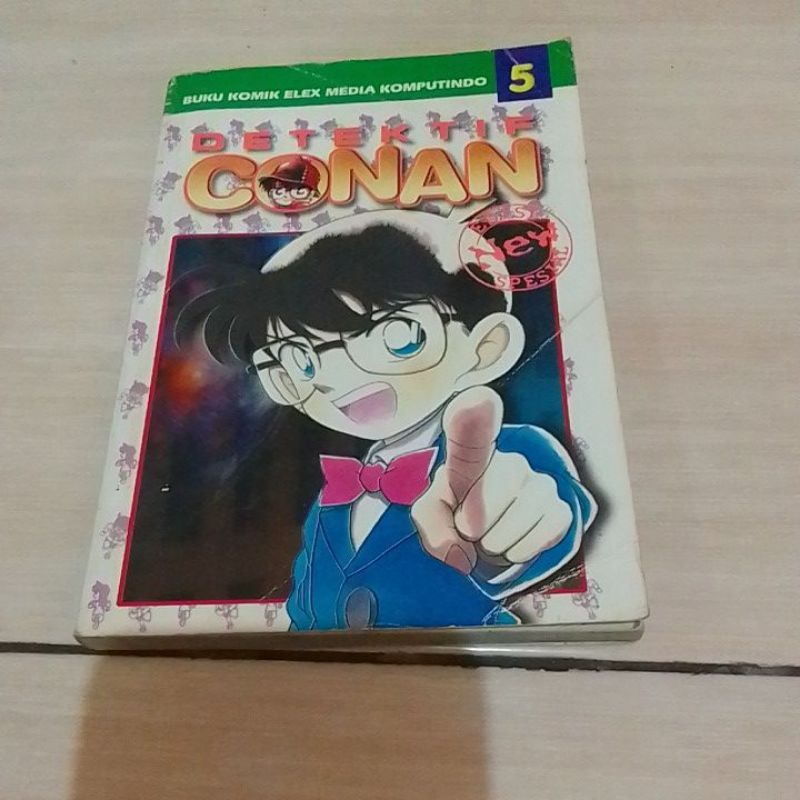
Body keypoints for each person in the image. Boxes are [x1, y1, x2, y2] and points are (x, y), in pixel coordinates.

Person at [177, 210, 596, 630]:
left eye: (398, 335)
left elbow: (540, 505)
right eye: (299, 361)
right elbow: (305, 611)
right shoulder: (332, 499)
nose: (335, 378)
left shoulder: (507, 453)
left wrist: (499, 544)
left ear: (486, 347)